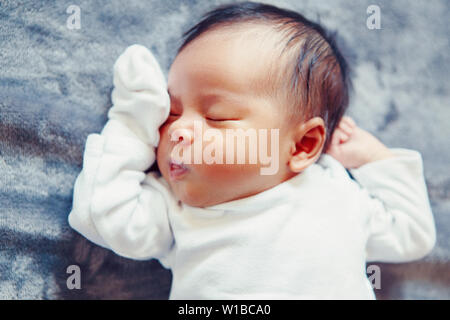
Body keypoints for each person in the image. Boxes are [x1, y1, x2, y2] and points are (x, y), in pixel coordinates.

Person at [68, 2, 435, 299]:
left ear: (303, 145)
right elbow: (101, 215)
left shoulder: (338, 192)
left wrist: (371, 158)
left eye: (217, 117)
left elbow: (412, 234)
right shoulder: (178, 207)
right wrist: (133, 121)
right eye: (171, 112)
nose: (177, 129)